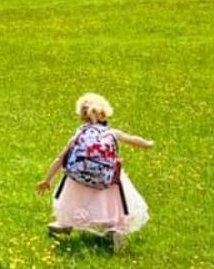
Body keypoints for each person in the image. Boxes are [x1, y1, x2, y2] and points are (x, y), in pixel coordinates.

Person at [36, 93, 153, 252]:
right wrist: (147, 144)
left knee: (74, 195)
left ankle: (66, 223)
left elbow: (60, 158)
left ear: (82, 117)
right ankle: (115, 228)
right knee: (115, 200)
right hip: (107, 179)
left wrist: (47, 180)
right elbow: (132, 139)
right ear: (105, 113)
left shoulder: (79, 135)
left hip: (79, 178)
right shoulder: (112, 133)